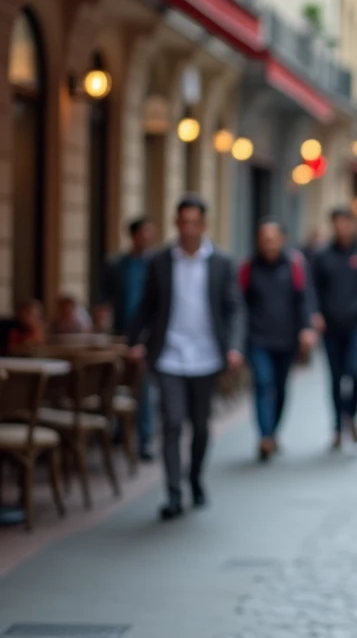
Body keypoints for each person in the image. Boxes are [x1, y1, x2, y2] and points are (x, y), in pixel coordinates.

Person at [127, 194, 244, 521]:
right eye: (184, 222)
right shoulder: (160, 262)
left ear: (204, 225)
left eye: (195, 222)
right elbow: (147, 306)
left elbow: (234, 309)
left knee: (201, 426)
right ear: (175, 223)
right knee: (173, 423)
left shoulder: (221, 263)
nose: (189, 228)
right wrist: (134, 341)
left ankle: (194, 479)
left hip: (207, 356)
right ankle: (173, 494)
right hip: (169, 355)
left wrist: (233, 347)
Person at [240, 217, 318, 461]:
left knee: (281, 388)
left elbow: (304, 298)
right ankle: (264, 437)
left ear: (282, 240)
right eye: (264, 240)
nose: (269, 244)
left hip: (286, 339)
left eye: (273, 239)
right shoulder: (248, 268)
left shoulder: (294, 264)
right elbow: (239, 305)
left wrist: (306, 328)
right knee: (263, 384)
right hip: (258, 338)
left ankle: (273, 432)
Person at [311, 207, 357, 449]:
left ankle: (350, 414)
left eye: (344, 222)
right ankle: (337, 427)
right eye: (336, 223)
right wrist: (315, 314)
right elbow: (313, 289)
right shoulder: (322, 255)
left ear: (352, 223)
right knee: (335, 377)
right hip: (331, 327)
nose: (341, 227)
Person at [99, 216, 157, 460]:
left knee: (143, 386)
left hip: (146, 335)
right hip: (120, 333)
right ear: (133, 236)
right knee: (114, 382)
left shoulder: (155, 264)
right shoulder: (117, 265)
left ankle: (145, 439)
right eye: (144, 233)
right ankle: (117, 430)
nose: (148, 238)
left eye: (150, 233)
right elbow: (105, 297)